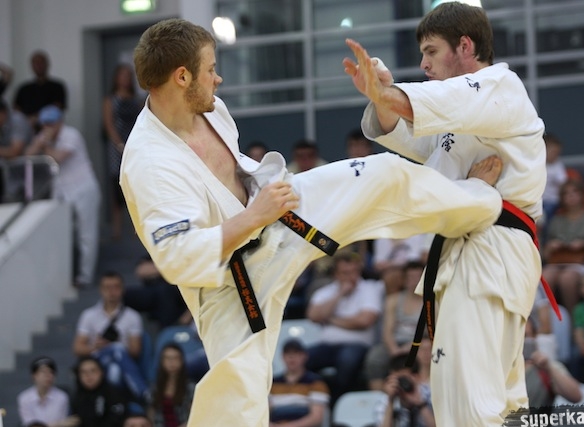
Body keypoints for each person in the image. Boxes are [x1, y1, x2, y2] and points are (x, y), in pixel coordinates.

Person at [120, 18, 504, 427]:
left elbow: (232, 176)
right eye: (210, 69)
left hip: (277, 213)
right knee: (237, 399)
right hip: (231, 284)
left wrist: (260, 210)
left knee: (383, 175)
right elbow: (178, 256)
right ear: (182, 77)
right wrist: (254, 216)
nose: (218, 78)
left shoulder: (209, 109)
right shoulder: (150, 164)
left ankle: (476, 200)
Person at [345, 2, 549, 425]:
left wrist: (386, 92)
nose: (424, 64)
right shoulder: (460, 117)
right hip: (479, 251)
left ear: (465, 46)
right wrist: (382, 93)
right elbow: (404, 131)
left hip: (488, 249)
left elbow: (426, 106)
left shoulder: (499, 86)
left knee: (467, 400)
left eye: (432, 51)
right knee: (502, 402)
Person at [24, 105, 100, 288]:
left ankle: (85, 277)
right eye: (45, 123)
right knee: (57, 233)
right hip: (61, 191)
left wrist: (45, 144)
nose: (48, 127)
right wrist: (40, 142)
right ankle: (60, 277)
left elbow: (58, 157)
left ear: (60, 122)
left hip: (83, 188)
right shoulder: (44, 137)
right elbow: (27, 155)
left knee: (86, 234)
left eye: (51, 123)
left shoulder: (71, 134)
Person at [305, 252, 384, 402]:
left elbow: (365, 320)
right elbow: (313, 316)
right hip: (327, 345)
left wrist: (331, 319)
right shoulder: (326, 291)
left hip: (357, 345)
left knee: (347, 360)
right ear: (336, 274)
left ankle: (337, 401)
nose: (350, 277)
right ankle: (312, 399)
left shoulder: (369, 288)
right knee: (304, 357)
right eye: (345, 273)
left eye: (354, 272)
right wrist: (340, 293)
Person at [72, 271, 150, 404]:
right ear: (100, 290)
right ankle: (142, 392)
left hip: (122, 362)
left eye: (116, 287)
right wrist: (96, 346)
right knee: (116, 349)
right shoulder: (88, 315)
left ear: (122, 289)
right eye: (107, 287)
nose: (112, 292)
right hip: (97, 361)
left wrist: (115, 344)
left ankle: (112, 404)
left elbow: (136, 351)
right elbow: (77, 348)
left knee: (115, 367)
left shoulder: (132, 317)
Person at [542, 179, 584, 315]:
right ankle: (549, 319)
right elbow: (545, 254)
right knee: (546, 276)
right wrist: (551, 246)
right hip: (558, 261)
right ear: (562, 198)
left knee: (567, 278)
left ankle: (572, 318)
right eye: (566, 193)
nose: (571, 196)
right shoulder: (556, 220)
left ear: (582, 194)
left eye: (575, 192)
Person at [364, 260, 426, 391]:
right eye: (410, 277)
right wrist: (394, 350)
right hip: (395, 343)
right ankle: (379, 395)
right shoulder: (393, 300)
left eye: (418, 277)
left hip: (419, 343)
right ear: (404, 280)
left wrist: (411, 347)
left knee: (425, 357)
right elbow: (387, 331)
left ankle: (421, 392)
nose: (414, 281)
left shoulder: (431, 302)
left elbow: (432, 332)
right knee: (375, 358)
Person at [102, 63, 144, 240]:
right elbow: (109, 124)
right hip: (117, 148)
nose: (125, 79)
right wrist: (120, 145)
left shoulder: (136, 99)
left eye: (128, 75)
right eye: (122, 75)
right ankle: (117, 230)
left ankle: (139, 230)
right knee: (117, 188)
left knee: (137, 186)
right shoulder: (110, 100)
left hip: (136, 146)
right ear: (116, 78)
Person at [523, 318, 582, 408]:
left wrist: (549, 367)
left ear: (534, 336)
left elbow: (576, 396)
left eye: (525, 336)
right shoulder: (502, 368)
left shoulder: (545, 365)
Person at [269, 339, 329, 426]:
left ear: (304, 356)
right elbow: (265, 412)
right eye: (288, 353)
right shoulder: (273, 383)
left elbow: (316, 417)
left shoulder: (316, 383)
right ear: (282, 357)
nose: (292, 357)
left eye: (296, 353)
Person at [373, 352, 435, 427]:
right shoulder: (386, 399)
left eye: (405, 379)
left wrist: (421, 405)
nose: (402, 384)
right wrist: (391, 402)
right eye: (399, 380)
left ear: (417, 377)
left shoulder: (430, 395)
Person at [16, 356, 79, 427]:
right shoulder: (24, 397)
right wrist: (58, 423)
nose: (48, 375)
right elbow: (30, 424)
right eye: (43, 372)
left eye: (51, 372)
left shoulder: (62, 397)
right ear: (34, 375)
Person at [70, 355, 128, 427]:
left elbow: (117, 418)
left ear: (101, 372)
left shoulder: (114, 393)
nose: (88, 375)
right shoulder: (76, 397)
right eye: (83, 372)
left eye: (93, 371)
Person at [13, 50, 67, 123]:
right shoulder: (23, 88)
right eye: (36, 63)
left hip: (50, 124)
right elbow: (17, 110)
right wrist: (27, 121)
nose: (39, 65)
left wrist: (37, 118)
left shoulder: (57, 87)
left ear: (47, 64)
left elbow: (57, 107)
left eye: (41, 62)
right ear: (32, 66)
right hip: (26, 125)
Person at [148, 343, 195, 427]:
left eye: (175, 358)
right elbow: (150, 415)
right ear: (161, 361)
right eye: (167, 358)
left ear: (182, 360)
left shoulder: (191, 388)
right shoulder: (154, 388)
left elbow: (195, 415)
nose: (171, 362)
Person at [541, 133, 568, 229]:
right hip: (537, 200)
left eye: (557, 153)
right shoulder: (535, 164)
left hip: (553, 201)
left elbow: (563, 184)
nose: (555, 155)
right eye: (553, 152)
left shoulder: (557, 166)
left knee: (547, 214)